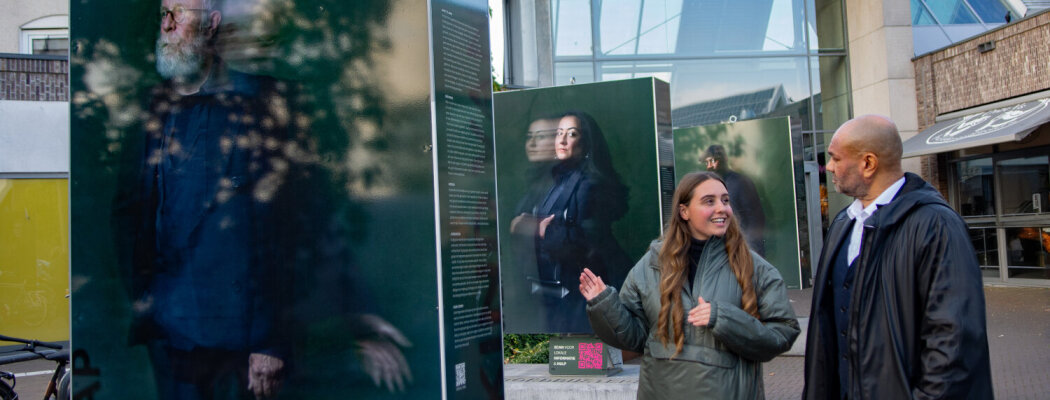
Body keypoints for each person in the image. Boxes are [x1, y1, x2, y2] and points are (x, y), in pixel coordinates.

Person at [115, 0, 410, 398]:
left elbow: (302, 222)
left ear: (212, 24)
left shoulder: (261, 100)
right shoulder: (150, 110)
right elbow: (129, 218)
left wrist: (271, 340)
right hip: (172, 336)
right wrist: (146, 303)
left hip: (246, 342)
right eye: (163, 15)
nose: (166, 26)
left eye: (179, 14)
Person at [802, 115, 993, 399]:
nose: (828, 166)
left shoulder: (936, 225)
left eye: (835, 158)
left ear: (868, 163)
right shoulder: (844, 222)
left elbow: (953, 342)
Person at [580, 171, 799, 398]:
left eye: (725, 200)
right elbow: (634, 338)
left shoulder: (755, 268)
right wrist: (604, 304)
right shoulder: (652, 264)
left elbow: (782, 333)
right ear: (684, 211)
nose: (721, 208)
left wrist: (724, 318)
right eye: (709, 201)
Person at [510, 111, 632, 333]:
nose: (562, 140)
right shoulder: (553, 180)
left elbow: (584, 242)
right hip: (554, 291)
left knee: (587, 356)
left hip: (585, 290)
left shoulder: (592, 184)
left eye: (572, 134)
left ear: (586, 143)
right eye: (559, 133)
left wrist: (536, 228)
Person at [704, 144, 766, 255]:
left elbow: (755, 220)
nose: (710, 166)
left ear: (724, 159)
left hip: (743, 249)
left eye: (713, 161)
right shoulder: (709, 186)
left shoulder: (741, 182)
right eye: (707, 162)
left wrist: (750, 251)